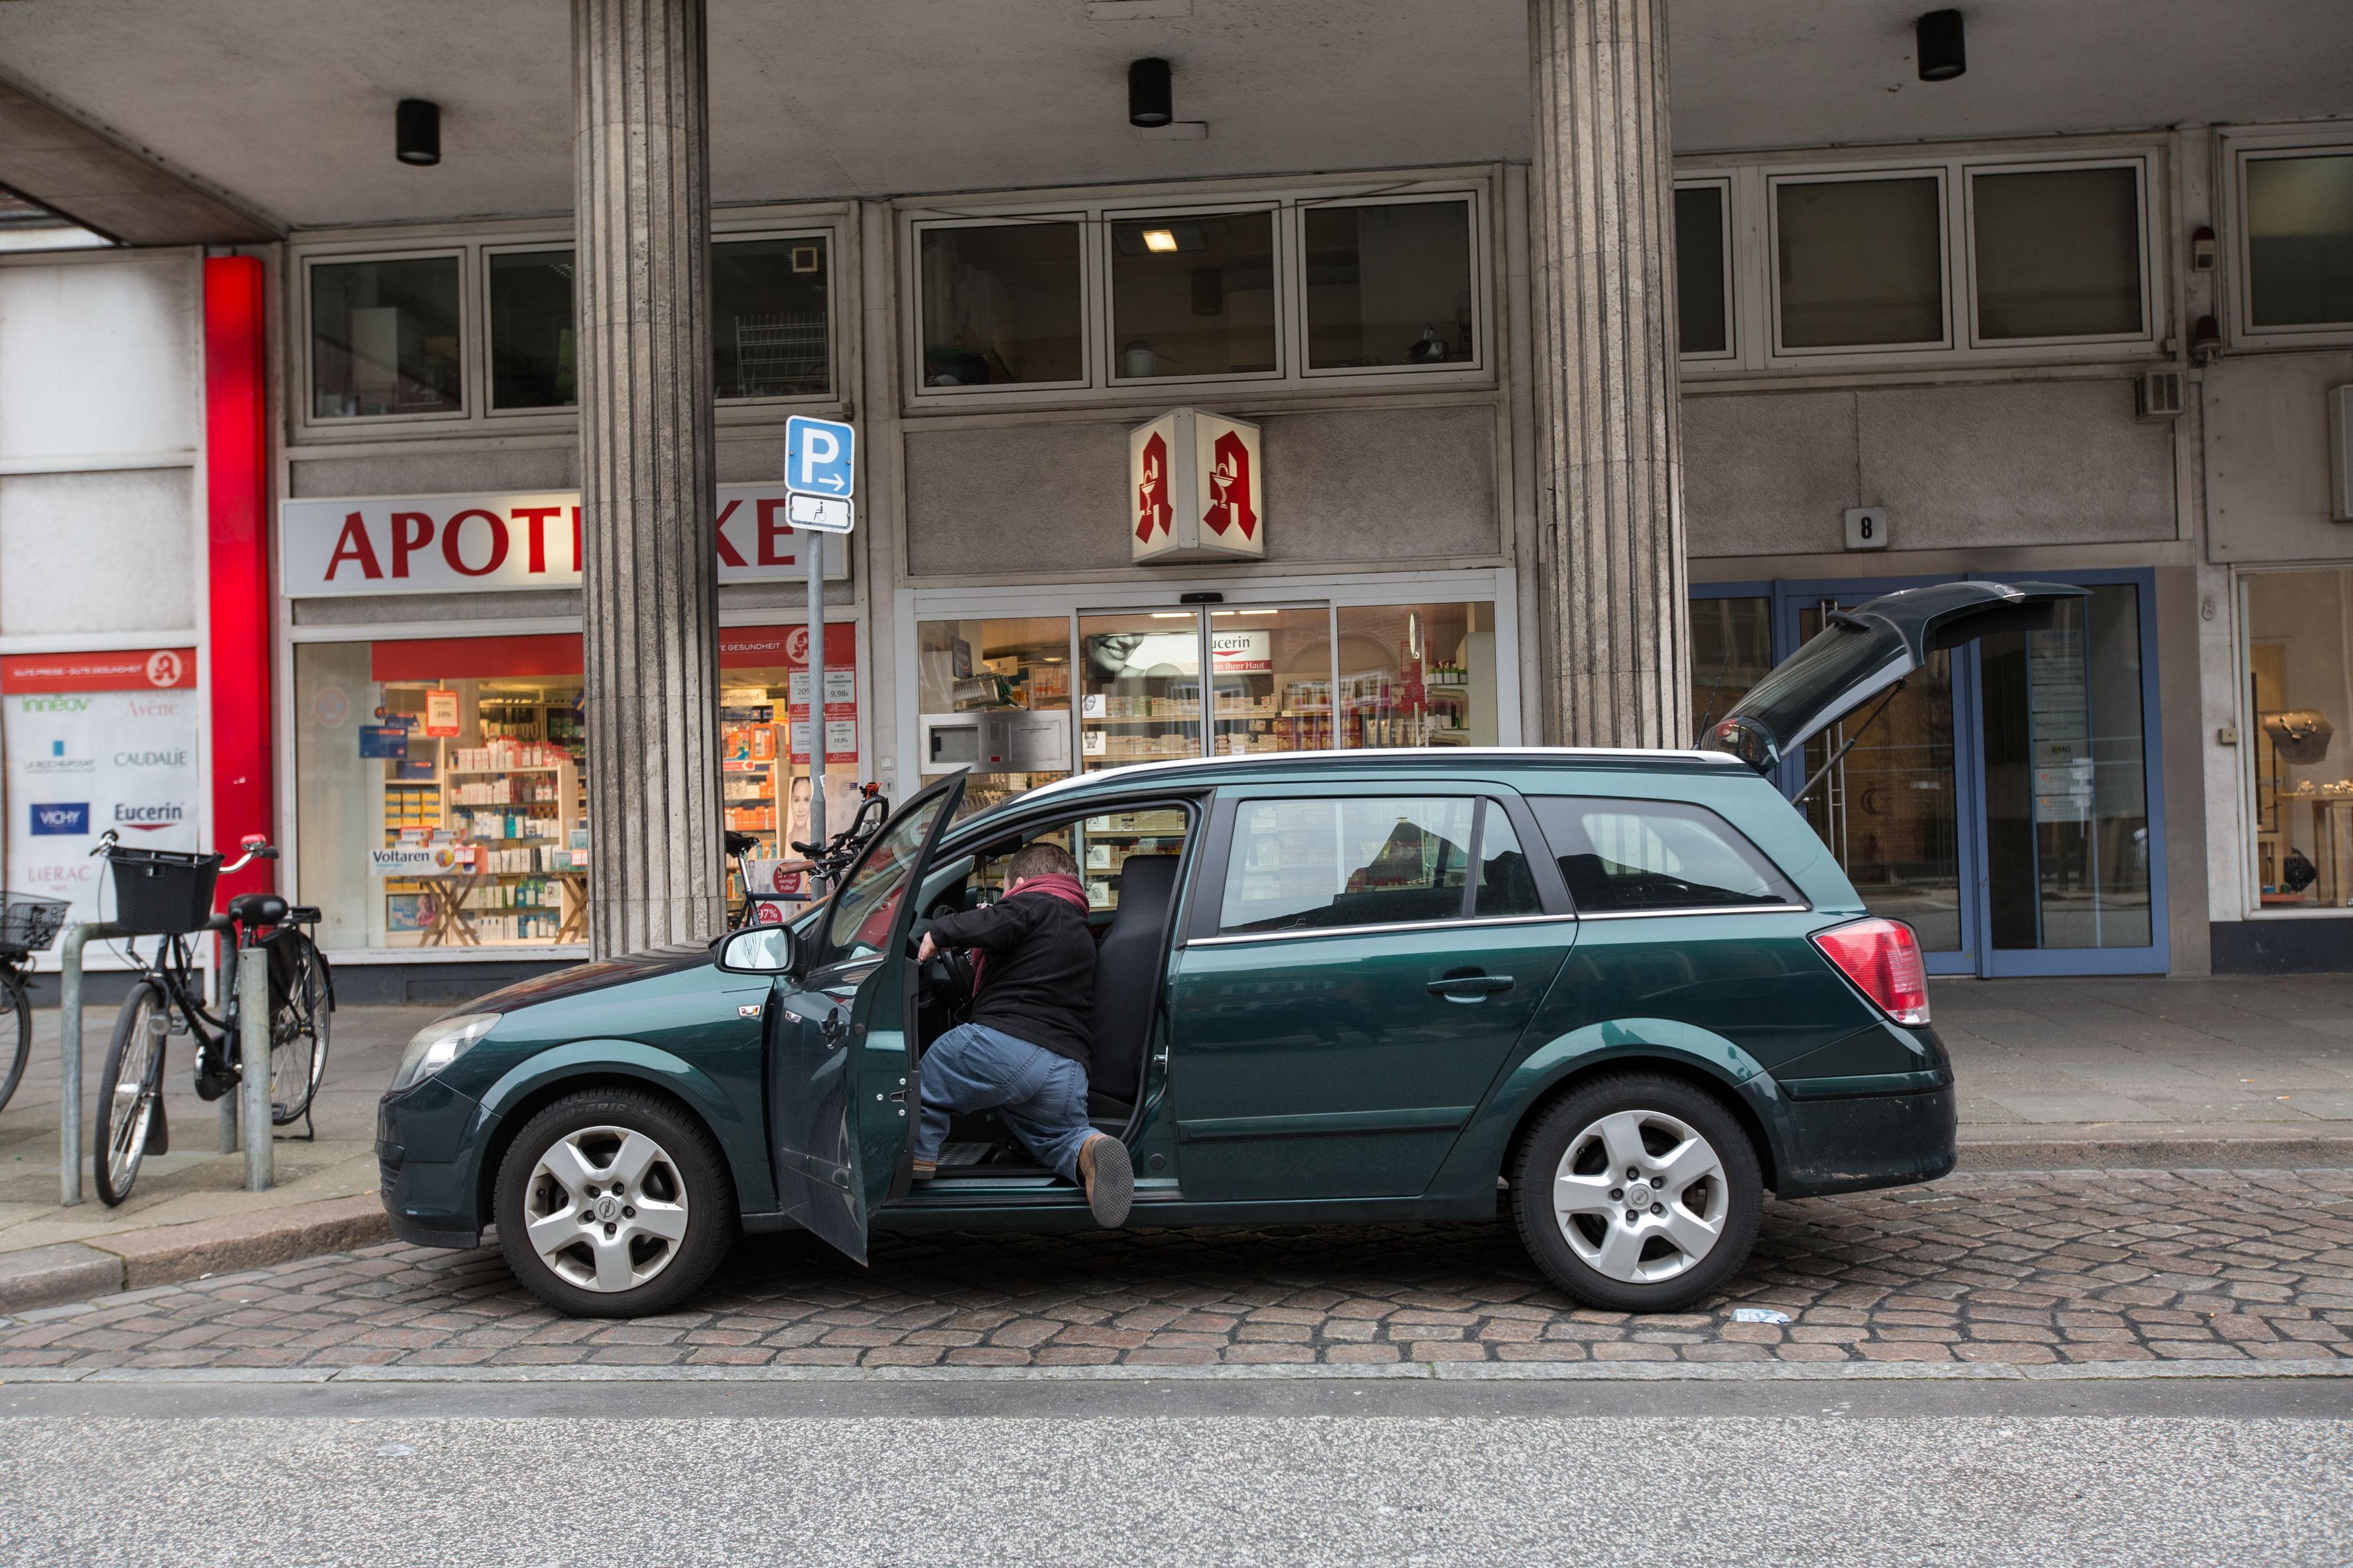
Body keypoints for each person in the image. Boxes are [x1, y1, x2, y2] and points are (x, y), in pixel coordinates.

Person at [911, 841, 1132, 1226]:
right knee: (1054, 1138)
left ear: (1020, 883)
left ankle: (918, 1155)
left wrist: (941, 932)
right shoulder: (1078, 926)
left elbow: (994, 921)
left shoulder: (1036, 901)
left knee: (934, 1071)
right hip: (1067, 1069)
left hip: (1012, 1046)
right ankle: (1089, 1147)